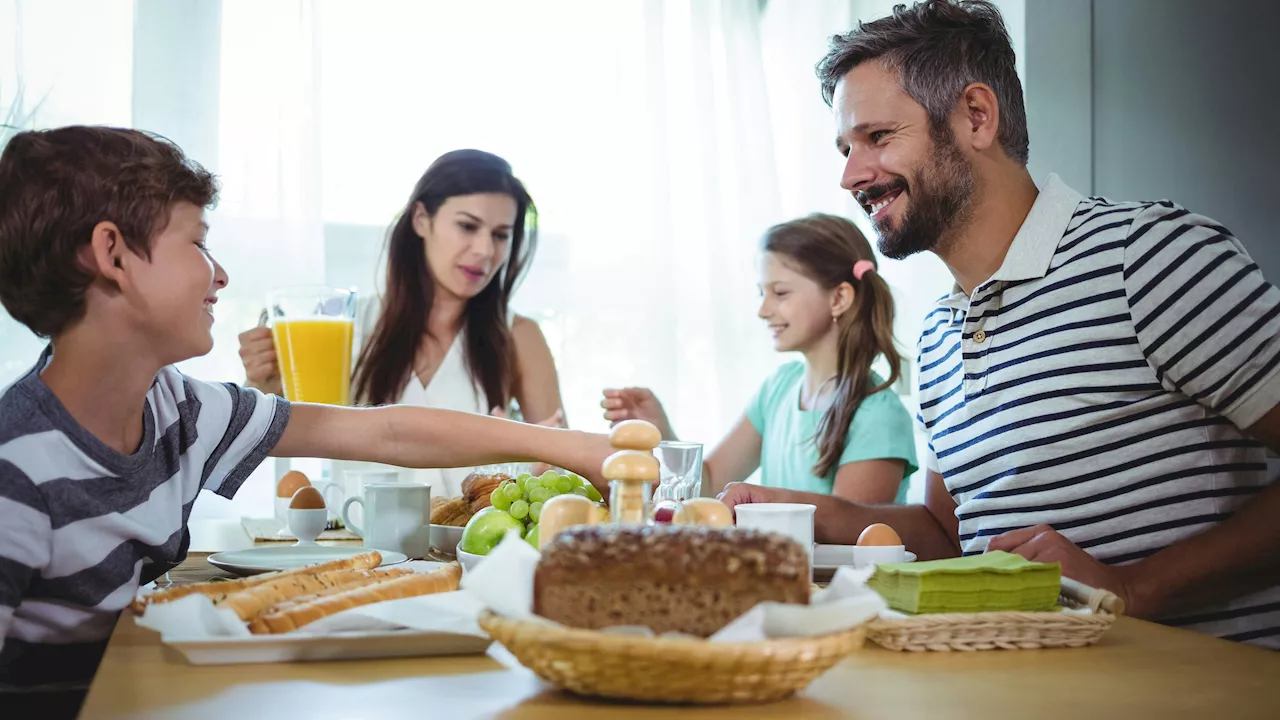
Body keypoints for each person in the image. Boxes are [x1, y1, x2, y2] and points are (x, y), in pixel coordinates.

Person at [717, 0, 1280, 649]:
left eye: (877, 137)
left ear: (976, 117)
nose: (850, 176)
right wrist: (810, 511)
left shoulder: (1147, 256)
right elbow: (948, 534)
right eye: (846, 148)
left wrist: (1136, 587)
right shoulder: (935, 337)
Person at [0, 127, 611, 710]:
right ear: (112, 254)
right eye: (197, 242)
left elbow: (387, 429)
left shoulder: (180, 408)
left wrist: (575, 446)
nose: (220, 274)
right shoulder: (16, 465)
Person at [237, 149, 566, 496]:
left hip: (465, 545)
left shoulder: (519, 337)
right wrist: (262, 383)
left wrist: (531, 457)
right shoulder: (343, 327)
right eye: (467, 226)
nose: (485, 250)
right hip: (354, 542)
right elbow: (258, 442)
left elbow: (563, 476)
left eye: (501, 235)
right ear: (421, 219)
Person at [603, 213, 918, 503]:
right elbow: (710, 483)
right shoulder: (779, 388)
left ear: (839, 298)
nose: (763, 310)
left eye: (780, 293)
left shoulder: (878, 414)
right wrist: (661, 432)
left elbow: (850, 531)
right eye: (761, 293)